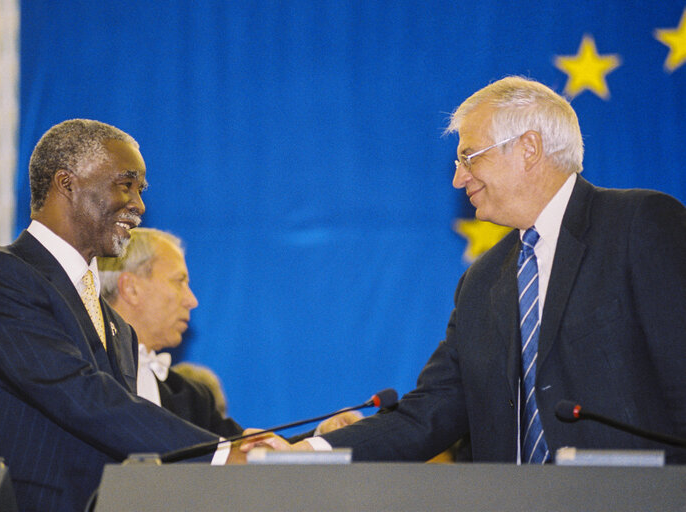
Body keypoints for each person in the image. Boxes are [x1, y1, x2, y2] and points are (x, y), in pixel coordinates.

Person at [283, 76, 686, 464]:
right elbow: (429, 413)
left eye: (469, 157)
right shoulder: (481, 281)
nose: (459, 179)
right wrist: (310, 452)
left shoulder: (638, 224)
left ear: (529, 148)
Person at [0, 119, 262, 512]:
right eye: (126, 184)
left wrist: (258, 448)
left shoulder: (117, 325)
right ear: (67, 184)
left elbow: (119, 436)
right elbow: (81, 396)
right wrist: (218, 455)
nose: (139, 205)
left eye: (141, 189)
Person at [98, 227, 361, 438]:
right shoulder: (87, 373)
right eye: (180, 282)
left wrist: (321, 436)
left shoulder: (193, 398)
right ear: (131, 288)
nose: (192, 300)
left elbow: (245, 455)